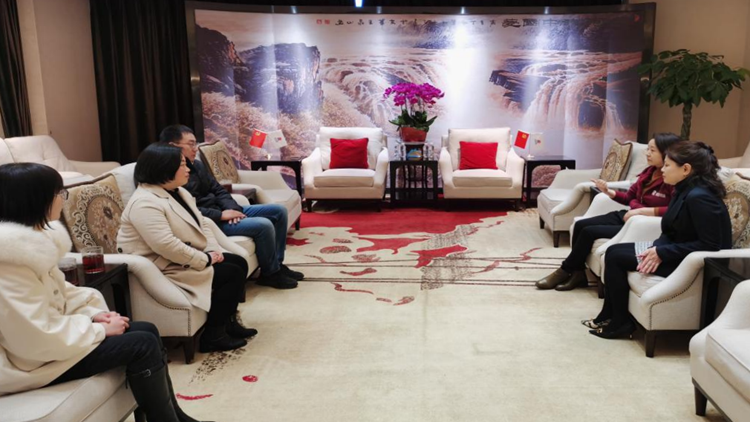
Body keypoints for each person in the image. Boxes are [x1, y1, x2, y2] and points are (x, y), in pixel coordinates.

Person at [0, 163, 203, 422]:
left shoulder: (31, 245)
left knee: (147, 330)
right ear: (35, 200)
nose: (62, 199)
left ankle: (174, 416)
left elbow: (65, 292)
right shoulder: (9, 264)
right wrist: (98, 330)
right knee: (141, 344)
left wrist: (94, 315)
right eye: (58, 193)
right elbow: (33, 338)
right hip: (25, 363)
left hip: (45, 344)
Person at [117, 144, 256, 353]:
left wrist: (213, 251)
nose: (189, 169)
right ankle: (214, 336)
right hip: (163, 266)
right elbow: (166, 245)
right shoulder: (145, 203)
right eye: (182, 165)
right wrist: (205, 259)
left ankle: (228, 323)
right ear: (164, 169)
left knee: (238, 262)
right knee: (230, 272)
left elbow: (202, 224)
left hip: (183, 257)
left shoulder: (178, 192)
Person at [587, 141, 731, 339]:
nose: (662, 169)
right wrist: (657, 248)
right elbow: (671, 230)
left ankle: (620, 323)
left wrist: (662, 252)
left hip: (689, 263)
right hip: (674, 250)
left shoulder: (700, 197)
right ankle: (610, 315)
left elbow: (710, 245)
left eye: (667, 165)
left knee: (616, 258)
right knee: (613, 251)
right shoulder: (684, 189)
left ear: (686, 169)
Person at [159, 125, 303, 290]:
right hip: (210, 221)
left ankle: (277, 264)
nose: (195, 148)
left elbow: (219, 190)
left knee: (278, 211)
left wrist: (232, 209)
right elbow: (185, 211)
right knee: (264, 225)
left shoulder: (197, 165)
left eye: (195, 143)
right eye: (191, 144)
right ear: (173, 146)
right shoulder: (169, 176)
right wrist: (220, 215)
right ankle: (270, 274)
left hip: (222, 211)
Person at [537, 133, 683, 292]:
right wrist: (608, 191)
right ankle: (578, 273)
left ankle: (565, 270)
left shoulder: (671, 180)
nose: (647, 153)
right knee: (580, 224)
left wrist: (642, 210)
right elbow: (629, 197)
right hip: (628, 215)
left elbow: (674, 209)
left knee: (588, 232)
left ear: (667, 153)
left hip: (640, 224)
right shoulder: (648, 172)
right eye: (647, 149)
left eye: (652, 150)